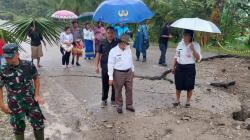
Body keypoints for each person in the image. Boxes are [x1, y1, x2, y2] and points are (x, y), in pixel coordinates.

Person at [0, 43, 45, 140]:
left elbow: (36, 78)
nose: (7, 60)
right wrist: (1, 104)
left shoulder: (28, 65)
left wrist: (37, 94)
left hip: (31, 101)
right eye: (6, 57)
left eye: (10, 57)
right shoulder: (3, 69)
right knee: (18, 127)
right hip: (14, 103)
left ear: (17, 54)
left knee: (39, 123)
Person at [172, 29, 202, 108]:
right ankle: (177, 100)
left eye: (188, 35)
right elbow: (176, 56)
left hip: (190, 67)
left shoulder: (195, 45)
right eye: (185, 35)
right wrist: (173, 66)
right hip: (179, 66)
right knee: (178, 85)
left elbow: (198, 58)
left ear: (191, 37)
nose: (185, 37)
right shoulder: (180, 44)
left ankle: (188, 102)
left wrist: (193, 49)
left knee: (189, 86)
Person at [108, 34, 135, 114]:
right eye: (124, 43)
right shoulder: (113, 51)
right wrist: (110, 77)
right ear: (120, 42)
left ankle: (129, 105)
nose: (126, 45)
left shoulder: (128, 48)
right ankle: (119, 106)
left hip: (129, 72)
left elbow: (131, 59)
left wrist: (132, 69)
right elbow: (110, 64)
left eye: (127, 43)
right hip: (118, 73)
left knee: (129, 89)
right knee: (118, 90)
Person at [96, 26, 118, 108]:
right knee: (105, 84)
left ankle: (113, 99)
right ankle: (104, 100)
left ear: (114, 34)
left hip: (115, 67)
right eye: (109, 33)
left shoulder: (117, 42)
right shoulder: (102, 42)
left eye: (112, 33)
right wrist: (96, 66)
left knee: (114, 84)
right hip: (105, 66)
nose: (110, 34)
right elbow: (98, 54)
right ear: (106, 33)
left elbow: (124, 50)